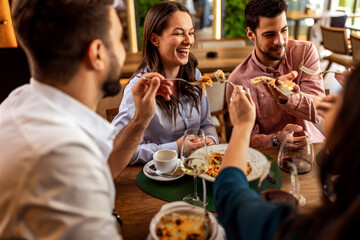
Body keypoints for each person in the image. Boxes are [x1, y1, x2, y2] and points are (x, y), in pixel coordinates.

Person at [0, 0, 172, 238]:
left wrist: (141, 119)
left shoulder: (17, 101)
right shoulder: (66, 159)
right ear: (97, 54)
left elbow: (104, 165)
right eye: (120, 40)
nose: (123, 51)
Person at [214, 65, 360, 240]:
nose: (332, 97)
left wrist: (242, 125)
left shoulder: (302, 231)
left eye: (342, 96)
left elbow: (230, 199)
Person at [112, 1, 218, 164]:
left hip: (194, 169)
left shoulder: (195, 75)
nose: (189, 41)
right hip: (155, 177)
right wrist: (175, 148)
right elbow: (117, 150)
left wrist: (210, 140)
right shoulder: (139, 88)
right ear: (155, 39)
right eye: (178, 33)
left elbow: (206, 123)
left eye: (191, 33)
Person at [226, 0, 325, 148]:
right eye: (269, 34)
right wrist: (277, 138)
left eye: (284, 30)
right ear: (251, 34)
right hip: (271, 158)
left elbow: (319, 113)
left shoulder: (304, 53)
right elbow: (247, 139)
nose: (280, 41)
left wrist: (290, 98)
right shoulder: (238, 81)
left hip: (312, 147)